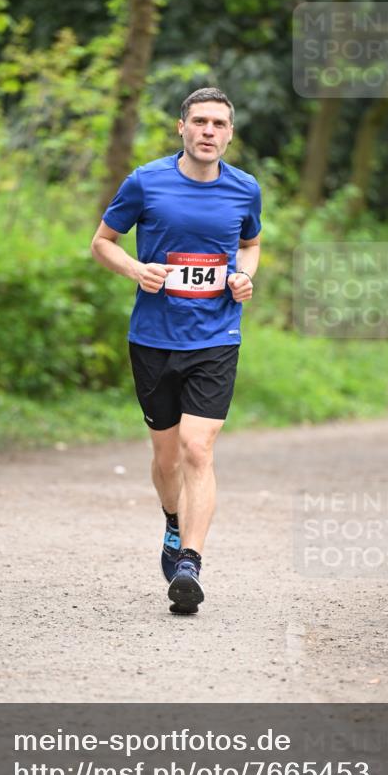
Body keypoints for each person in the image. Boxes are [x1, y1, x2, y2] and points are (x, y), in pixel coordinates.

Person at [90, 87, 261, 615]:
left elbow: (251, 244)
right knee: (165, 458)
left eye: (220, 124)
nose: (210, 131)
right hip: (153, 340)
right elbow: (102, 242)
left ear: (230, 134)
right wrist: (138, 270)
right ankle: (172, 520)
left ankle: (190, 561)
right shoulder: (147, 181)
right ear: (181, 128)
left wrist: (243, 278)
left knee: (197, 448)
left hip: (216, 337)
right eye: (201, 122)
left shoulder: (245, 189)